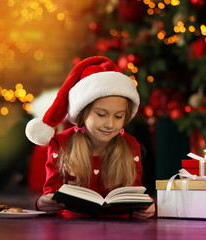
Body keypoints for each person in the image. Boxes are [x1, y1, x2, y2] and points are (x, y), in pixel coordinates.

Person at [25, 56, 155, 219]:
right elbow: (51, 194)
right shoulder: (61, 144)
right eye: (101, 114)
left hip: (120, 231)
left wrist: (146, 207)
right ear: (83, 112)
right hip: (70, 230)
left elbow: (135, 192)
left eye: (118, 116)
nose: (110, 124)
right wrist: (44, 203)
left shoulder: (130, 145)